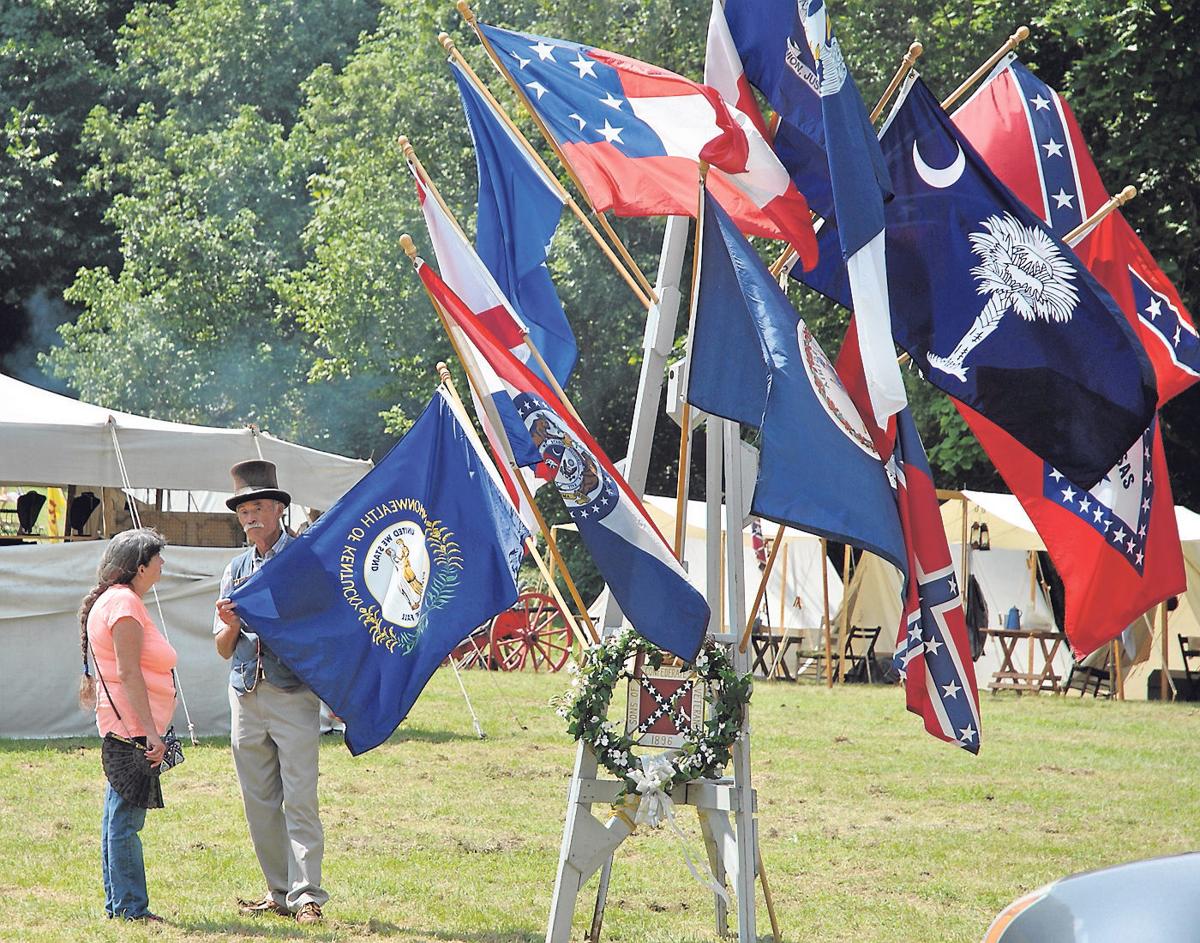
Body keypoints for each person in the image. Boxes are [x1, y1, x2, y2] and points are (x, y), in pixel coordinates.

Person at [213, 460, 326, 925]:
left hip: (293, 692)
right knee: (258, 801)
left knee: (299, 797)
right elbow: (223, 647)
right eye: (243, 511)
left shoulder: (306, 560)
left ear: (279, 509)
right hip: (245, 693)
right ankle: (279, 892)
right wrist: (231, 623)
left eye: (258, 507)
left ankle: (307, 896)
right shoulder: (234, 569)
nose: (250, 517)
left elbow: (322, 628)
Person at [78, 527, 175, 923]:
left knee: (116, 818)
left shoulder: (115, 600)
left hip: (123, 722)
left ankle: (118, 905)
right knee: (126, 822)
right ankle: (131, 908)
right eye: (157, 558)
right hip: (133, 727)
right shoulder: (124, 604)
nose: (163, 563)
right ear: (140, 567)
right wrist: (151, 732)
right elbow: (129, 672)